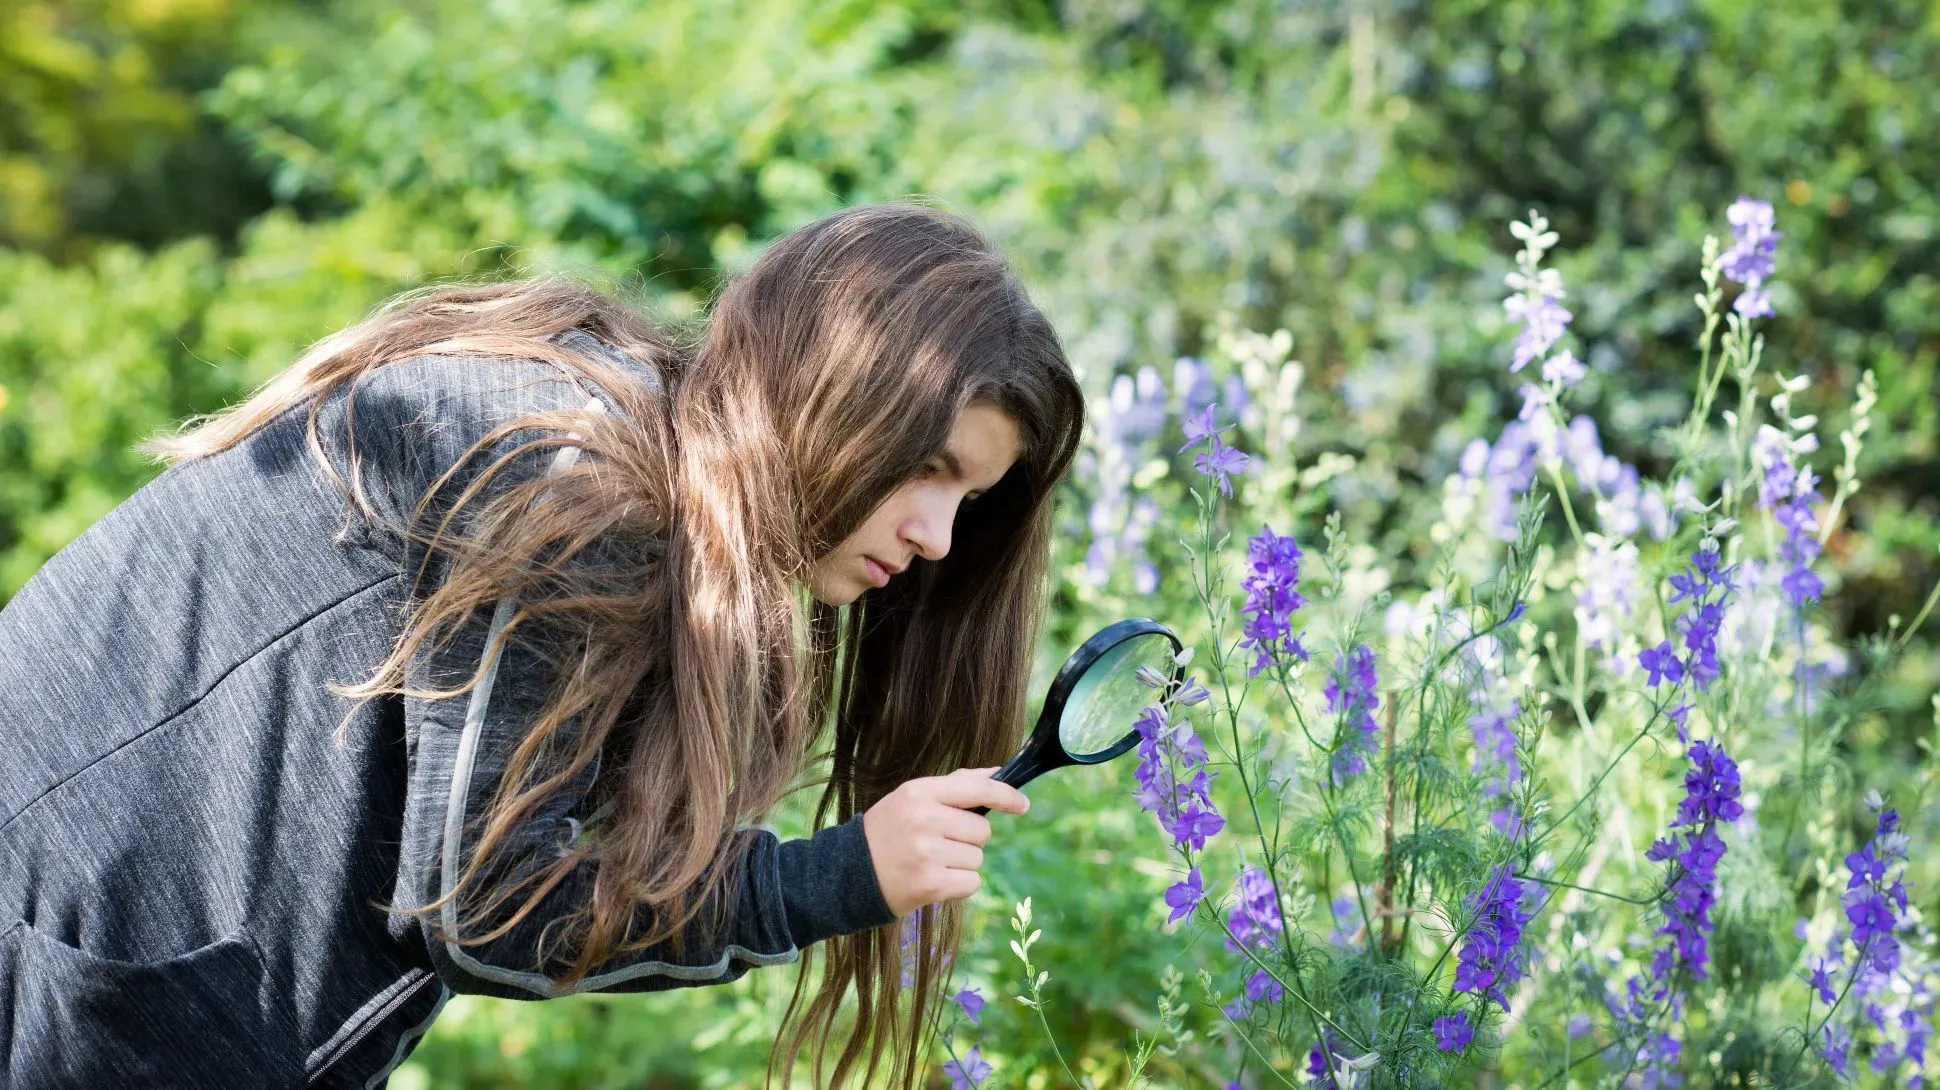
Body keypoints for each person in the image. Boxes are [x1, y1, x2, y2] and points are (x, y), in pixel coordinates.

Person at [0, 200, 1085, 1088]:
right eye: (929, 469)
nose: (937, 537)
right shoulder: (581, 491)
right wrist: (828, 879)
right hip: (55, 962)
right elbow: (479, 910)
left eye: (969, 498)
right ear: (843, 399)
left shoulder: (606, 436)